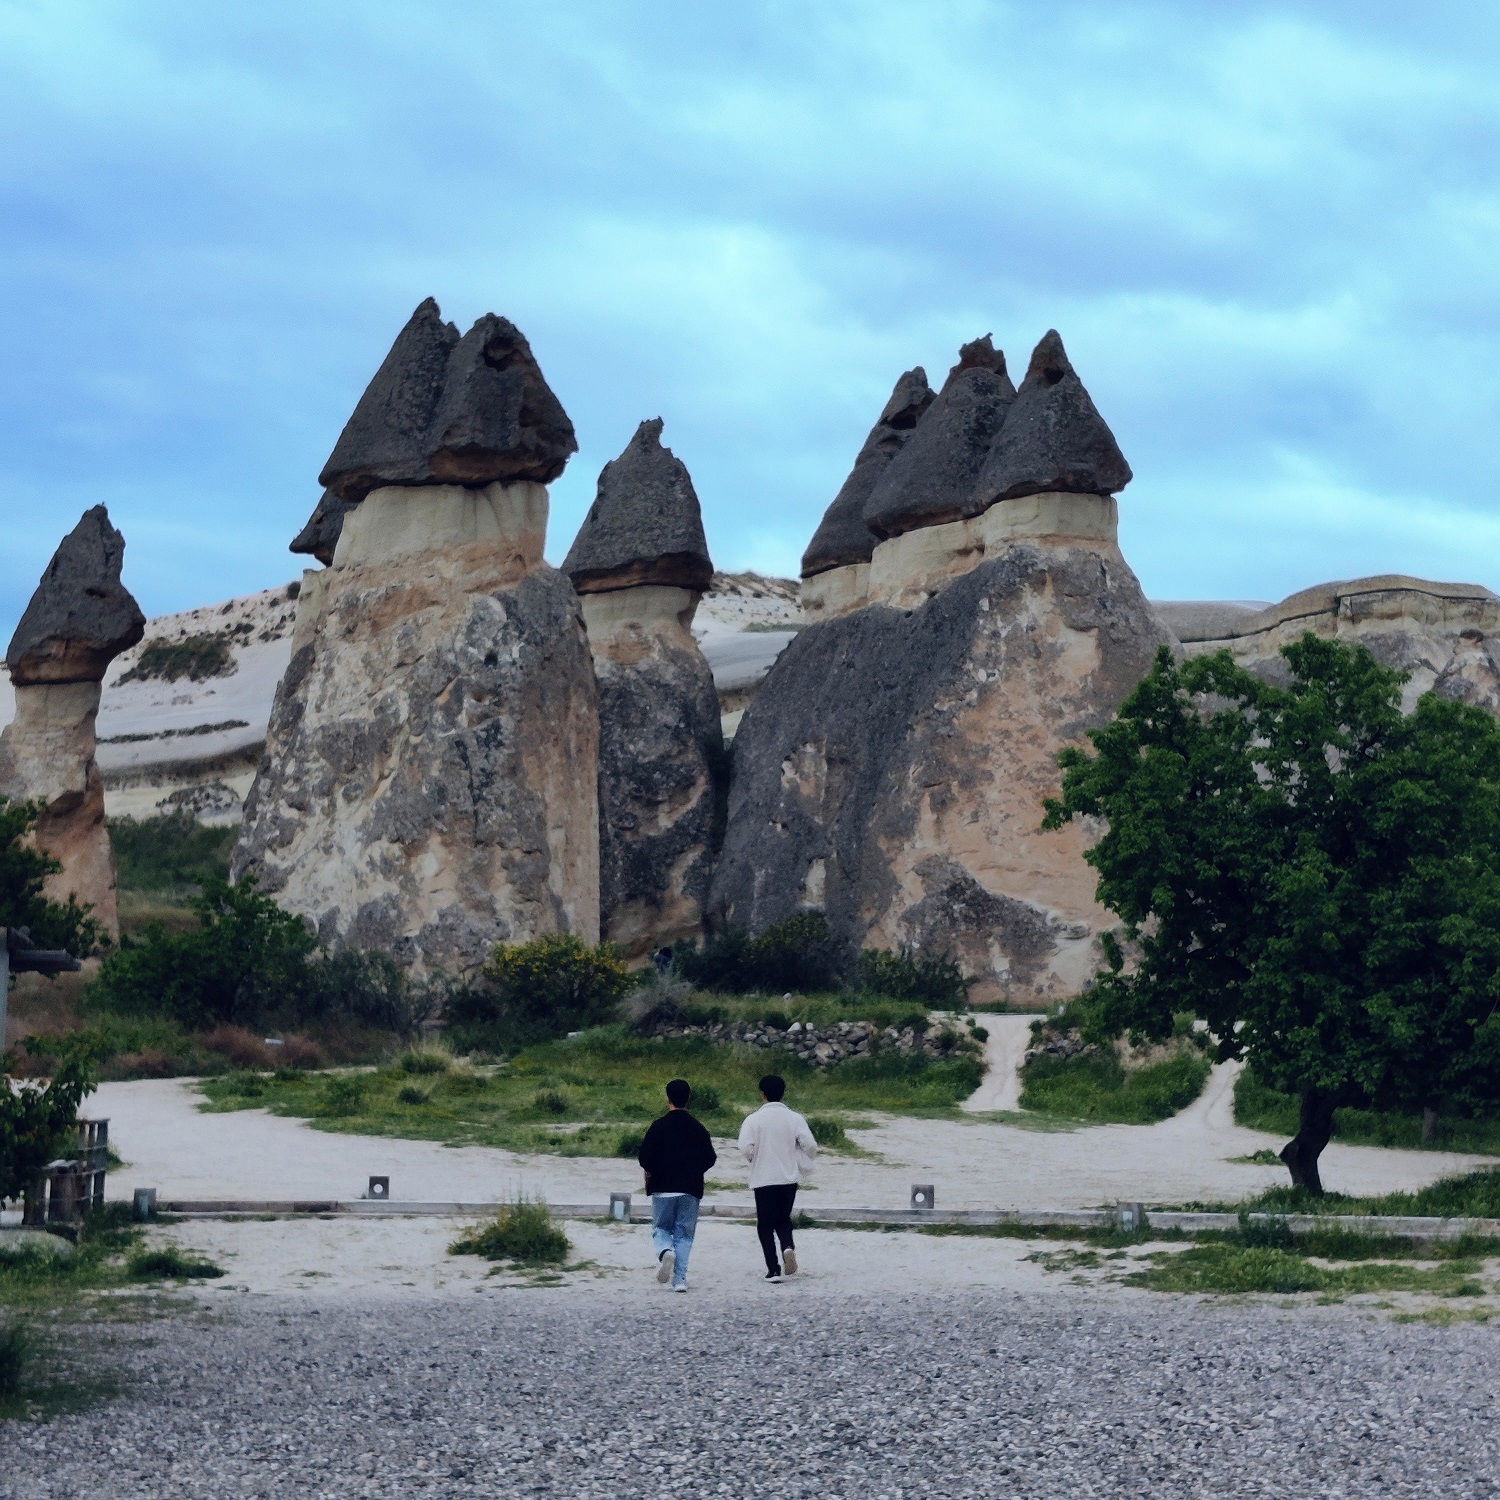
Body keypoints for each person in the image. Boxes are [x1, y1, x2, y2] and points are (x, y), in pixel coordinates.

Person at [636, 1078, 717, 1292]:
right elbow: (710, 1157)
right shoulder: (698, 1127)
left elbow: (644, 1157)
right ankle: (679, 1280)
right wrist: (694, 1171)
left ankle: (665, 1252)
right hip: (690, 1189)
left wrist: (657, 1170)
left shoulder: (658, 1126)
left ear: (667, 1098)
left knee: (661, 1228)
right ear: (688, 1098)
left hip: (663, 1188)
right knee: (684, 1235)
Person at [737, 1073, 817, 1283]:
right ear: (783, 1094)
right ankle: (788, 1247)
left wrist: (754, 1158)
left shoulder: (753, 1119)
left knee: (765, 1223)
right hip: (788, 1178)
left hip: (763, 1178)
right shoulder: (795, 1118)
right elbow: (810, 1145)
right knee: (783, 1218)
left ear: (762, 1094)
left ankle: (773, 1269)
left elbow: (745, 1147)